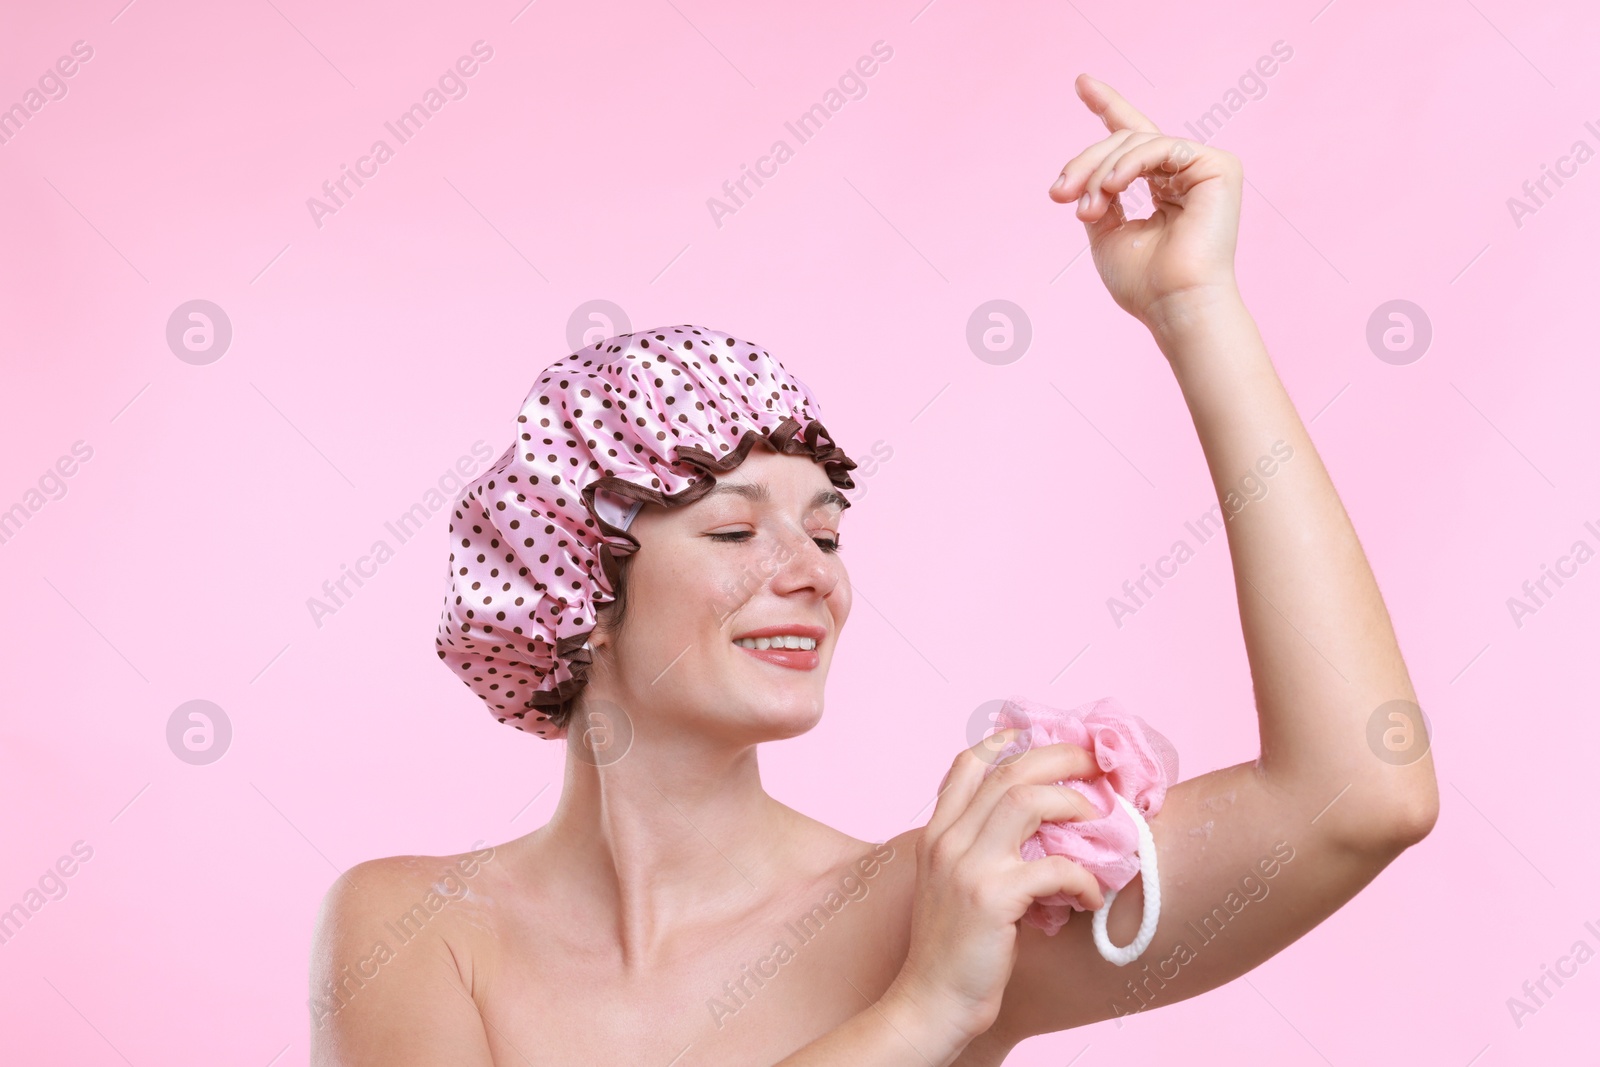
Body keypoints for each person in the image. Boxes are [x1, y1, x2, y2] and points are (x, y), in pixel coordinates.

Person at [308, 73, 1439, 1066]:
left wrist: (1194, 308)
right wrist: (919, 1015)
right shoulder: (414, 929)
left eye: (828, 530)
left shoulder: (939, 898)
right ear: (579, 589)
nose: (812, 574)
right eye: (733, 530)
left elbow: (1360, 793)